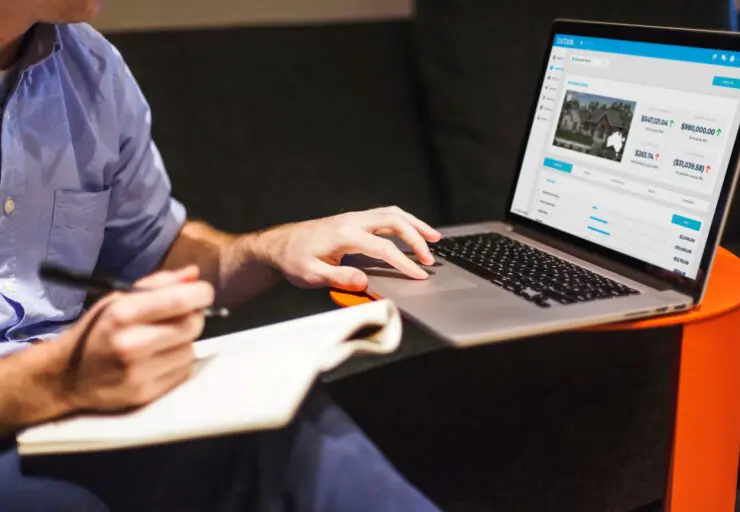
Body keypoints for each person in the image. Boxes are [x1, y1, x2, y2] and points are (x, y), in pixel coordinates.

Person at [0, 1, 443, 510]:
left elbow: (157, 249)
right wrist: (59, 379)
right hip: (40, 410)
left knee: (296, 435)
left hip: (71, 415)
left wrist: (268, 249)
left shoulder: (90, 70)